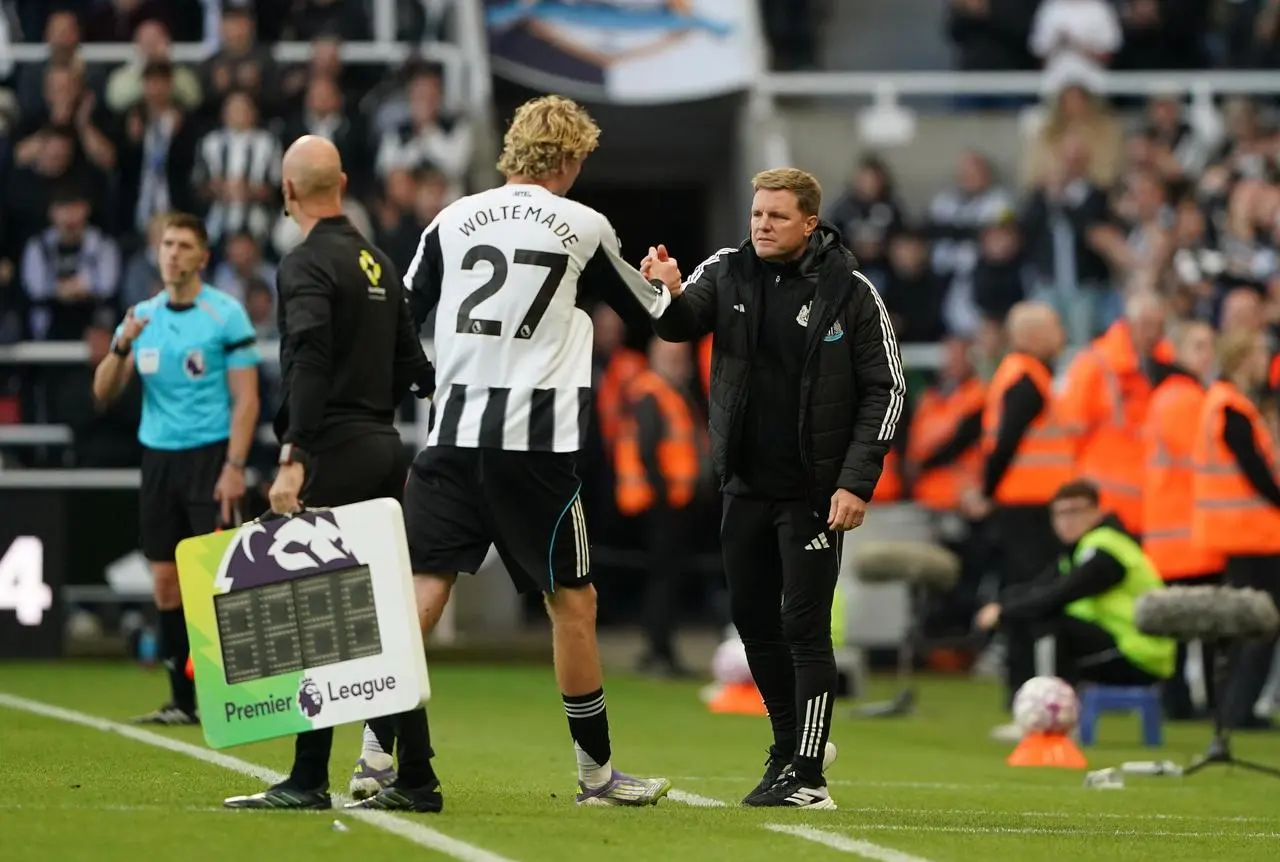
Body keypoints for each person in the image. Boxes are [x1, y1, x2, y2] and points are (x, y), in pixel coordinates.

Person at [347, 95, 676, 810]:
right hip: (536, 446)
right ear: (566, 158)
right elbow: (657, 315)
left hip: (454, 434)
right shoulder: (583, 224)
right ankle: (596, 776)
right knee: (574, 603)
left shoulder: (452, 216)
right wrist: (671, 284)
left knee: (424, 591)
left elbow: (401, 316)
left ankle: (372, 756)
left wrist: (433, 382)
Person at [644, 167, 907, 809]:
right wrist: (665, 293)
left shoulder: (851, 291)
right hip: (744, 484)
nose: (762, 225)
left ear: (810, 222)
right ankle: (790, 747)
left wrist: (855, 483)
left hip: (815, 492)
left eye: (777, 216)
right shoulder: (727, 270)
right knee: (753, 622)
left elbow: (890, 389)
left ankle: (809, 776)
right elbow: (679, 326)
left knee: (803, 627)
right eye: (758, 213)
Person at [222, 136, 438, 810]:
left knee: (318, 612)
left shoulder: (307, 263)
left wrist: (294, 455)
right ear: (341, 183)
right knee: (381, 620)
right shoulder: (379, 260)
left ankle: (309, 777)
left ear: (286, 192)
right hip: (383, 448)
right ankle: (420, 775)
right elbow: (416, 371)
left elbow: (307, 362)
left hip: (334, 448)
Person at [92, 212, 260, 726]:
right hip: (159, 459)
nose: (173, 253)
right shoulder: (141, 317)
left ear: (203, 257)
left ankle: (234, 698)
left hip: (210, 458)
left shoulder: (225, 315)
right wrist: (122, 344)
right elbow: (103, 393)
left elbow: (247, 399)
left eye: (185, 245)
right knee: (166, 583)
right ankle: (180, 702)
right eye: (167, 244)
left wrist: (234, 466)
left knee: (217, 583)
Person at [961, 300, 1072, 736]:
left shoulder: (1023, 375)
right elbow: (1004, 444)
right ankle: (1026, 696)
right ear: (1030, 335)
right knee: (1029, 601)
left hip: (1026, 508)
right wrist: (988, 493)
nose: (1061, 332)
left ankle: (1026, 695)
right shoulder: (1026, 379)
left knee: (1026, 597)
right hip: (1027, 510)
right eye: (1054, 325)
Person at [974, 480, 1176, 717]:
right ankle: (1024, 710)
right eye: (1059, 514)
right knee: (1028, 613)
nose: (1066, 521)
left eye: (1075, 512)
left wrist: (1002, 612)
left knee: (1046, 622)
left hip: (1141, 653)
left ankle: (1047, 714)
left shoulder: (1106, 551)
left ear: (1097, 512)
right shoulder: (1077, 552)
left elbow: (1059, 595)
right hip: (1117, 643)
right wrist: (1002, 604)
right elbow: (1037, 588)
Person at [1191, 328, 1280, 731]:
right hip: (1253, 534)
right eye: (1261, 355)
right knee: (1259, 623)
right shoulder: (1233, 408)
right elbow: (1257, 474)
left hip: (1240, 533)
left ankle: (1233, 708)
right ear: (1245, 358)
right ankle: (1239, 709)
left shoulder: (1223, 403)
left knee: (1246, 623)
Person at [1142, 320, 1224, 720]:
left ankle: (1181, 702)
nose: (1207, 353)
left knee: (1179, 627)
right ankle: (1195, 703)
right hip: (1188, 532)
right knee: (1201, 627)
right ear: (1175, 352)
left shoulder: (1168, 395)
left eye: (1209, 345)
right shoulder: (1186, 398)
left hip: (1170, 532)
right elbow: (1205, 459)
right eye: (1198, 346)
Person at [614, 337, 707, 676]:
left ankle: (661, 650)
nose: (680, 363)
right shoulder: (652, 392)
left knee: (665, 579)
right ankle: (659, 652)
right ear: (655, 357)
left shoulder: (667, 392)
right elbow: (647, 449)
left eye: (681, 356)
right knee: (663, 580)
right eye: (672, 356)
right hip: (660, 504)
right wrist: (665, 492)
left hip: (670, 502)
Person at [1057, 291, 1171, 534]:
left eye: (1158, 326)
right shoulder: (1094, 365)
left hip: (1152, 504)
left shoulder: (1169, 367)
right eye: (1146, 325)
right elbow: (1070, 431)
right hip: (1106, 503)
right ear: (1127, 324)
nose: (1152, 334)